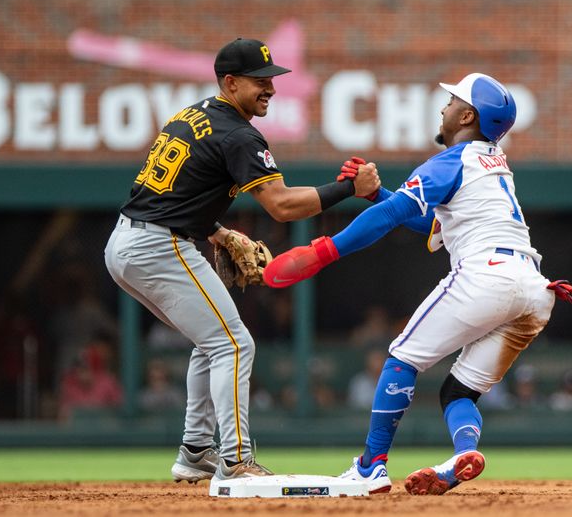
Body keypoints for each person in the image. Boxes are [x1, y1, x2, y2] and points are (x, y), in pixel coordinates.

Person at [263, 73, 572, 495]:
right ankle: (463, 453)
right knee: (458, 391)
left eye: (452, 102)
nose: (444, 107)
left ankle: (371, 465)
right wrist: (378, 194)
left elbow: (393, 216)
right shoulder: (492, 164)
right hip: (535, 290)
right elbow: (432, 225)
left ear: (468, 115)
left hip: (486, 275)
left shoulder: (453, 160)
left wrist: (327, 250)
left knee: (401, 359)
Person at [104, 37, 380, 483]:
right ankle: (235, 461)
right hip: (158, 246)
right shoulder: (238, 133)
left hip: (129, 242)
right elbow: (283, 206)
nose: (270, 88)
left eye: (272, 79)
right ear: (230, 83)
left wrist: (219, 230)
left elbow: (175, 193)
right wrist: (351, 189)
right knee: (234, 343)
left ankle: (195, 452)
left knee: (211, 342)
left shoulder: (192, 114)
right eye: (259, 81)